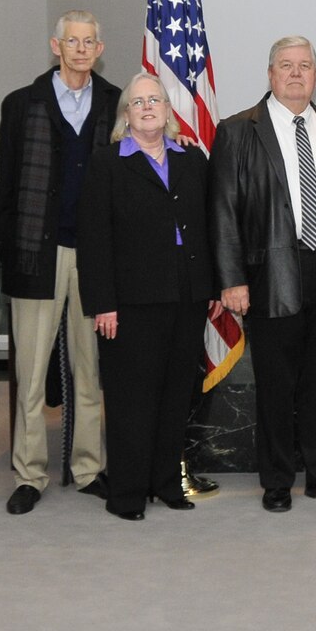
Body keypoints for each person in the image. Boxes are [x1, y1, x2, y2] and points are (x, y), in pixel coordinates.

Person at [210, 36, 316, 512]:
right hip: (271, 269)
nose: (296, 74)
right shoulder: (238, 131)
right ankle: (276, 480)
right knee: (275, 383)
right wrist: (232, 279)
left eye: (305, 66)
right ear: (270, 74)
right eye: (286, 66)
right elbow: (223, 212)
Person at [0, 12, 119, 514]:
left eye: (90, 41)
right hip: (37, 255)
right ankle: (29, 474)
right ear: (56, 45)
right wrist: (11, 255)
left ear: (100, 47)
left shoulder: (114, 102)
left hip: (95, 256)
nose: (82, 49)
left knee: (89, 371)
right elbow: (8, 190)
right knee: (31, 371)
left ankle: (88, 468)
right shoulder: (21, 104)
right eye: (73, 41)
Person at [77, 74, 215, 521]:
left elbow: (208, 227)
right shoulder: (107, 163)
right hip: (129, 301)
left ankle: (165, 484)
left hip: (187, 295)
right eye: (138, 102)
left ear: (167, 109)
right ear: (126, 116)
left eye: (155, 99)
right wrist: (103, 303)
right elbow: (94, 239)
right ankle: (128, 493)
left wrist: (210, 285)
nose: (148, 106)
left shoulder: (192, 160)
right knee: (131, 400)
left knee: (176, 394)